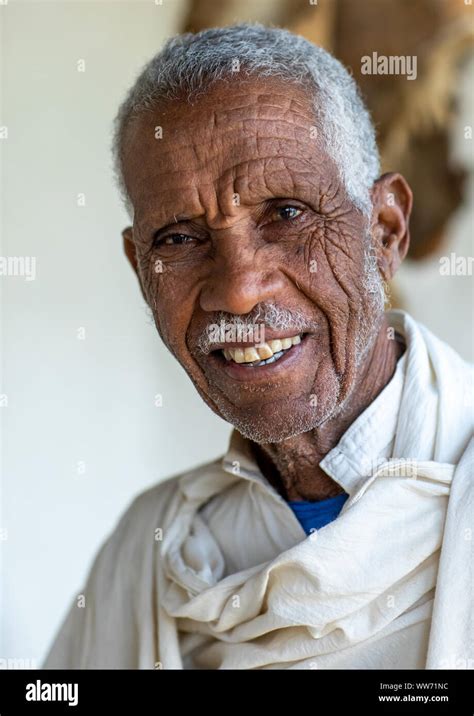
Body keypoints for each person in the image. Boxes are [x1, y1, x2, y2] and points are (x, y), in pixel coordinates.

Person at [44, 24, 473, 670]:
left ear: (384, 231)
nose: (240, 290)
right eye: (180, 240)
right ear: (142, 272)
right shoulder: (147, 553)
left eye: (288, 213)